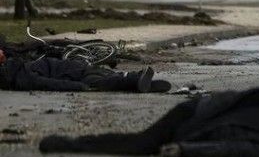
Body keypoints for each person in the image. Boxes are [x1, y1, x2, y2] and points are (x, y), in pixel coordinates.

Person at [38, 87, 259, 157]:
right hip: (196, 111)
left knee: (141, 146)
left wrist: (185, 150)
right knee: (141, 144)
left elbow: (229, 149)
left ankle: (68, 145)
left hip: (194, 130)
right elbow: (258, 93)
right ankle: (67, 144)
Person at [0, 48, 170, 93]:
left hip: (72, 69)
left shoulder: (15, 66)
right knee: (99, 80)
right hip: (72, 76)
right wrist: (75, 87)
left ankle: (136, 82)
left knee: (103, 75)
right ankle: (135, 79)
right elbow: (46, 83)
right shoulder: (19, 76)